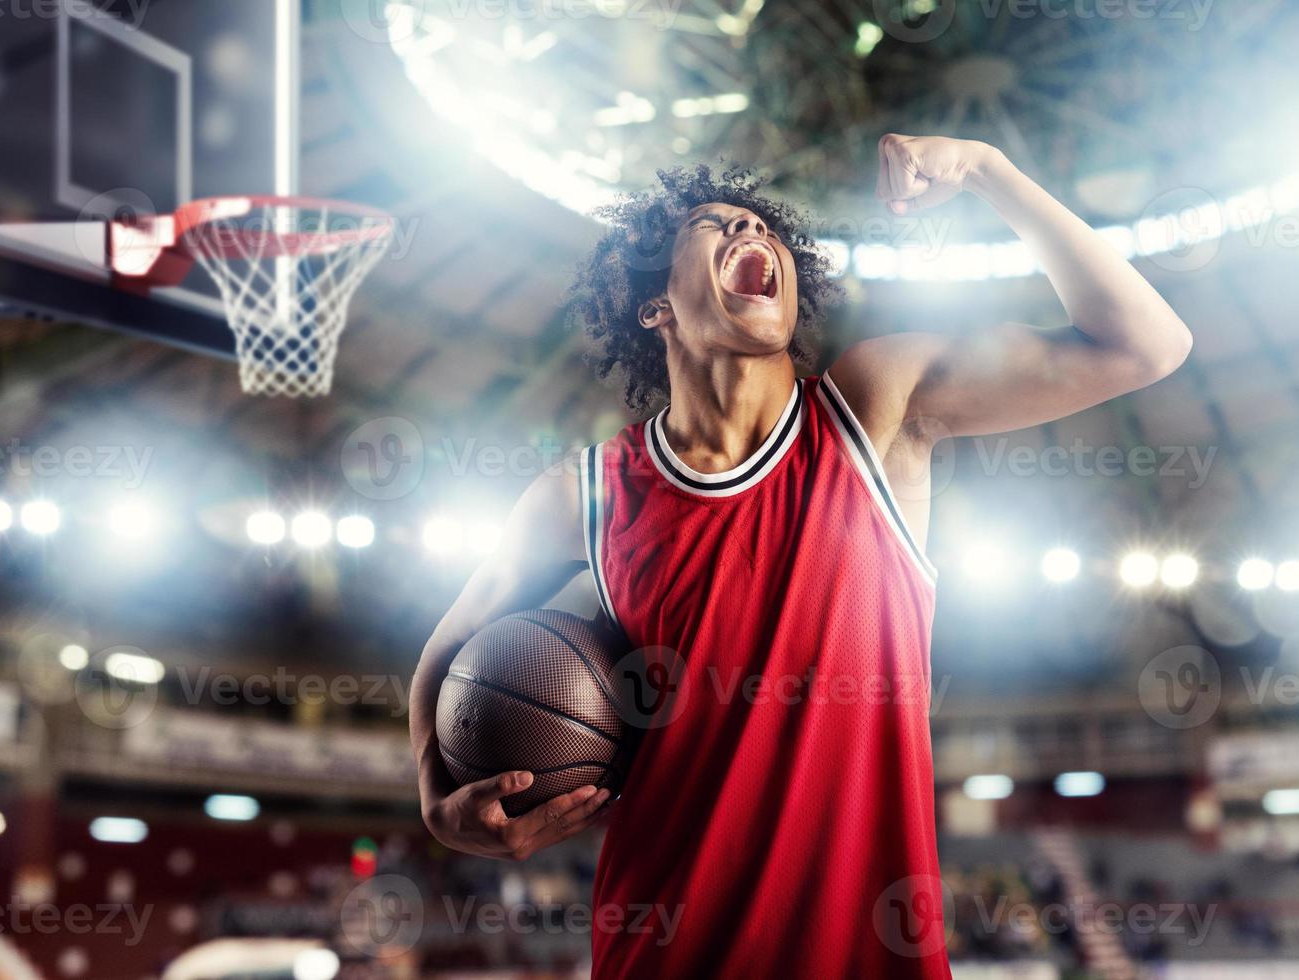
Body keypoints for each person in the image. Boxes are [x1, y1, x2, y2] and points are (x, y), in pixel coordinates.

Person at [409, 135, 1193, 977]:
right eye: (714, 225)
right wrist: (436, 802)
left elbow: (1145, 346)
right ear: (652, 305)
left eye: (761, 225)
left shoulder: (874, 407)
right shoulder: (587, 494)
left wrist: (988, 171)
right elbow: (445, 654)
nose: (750, 226)